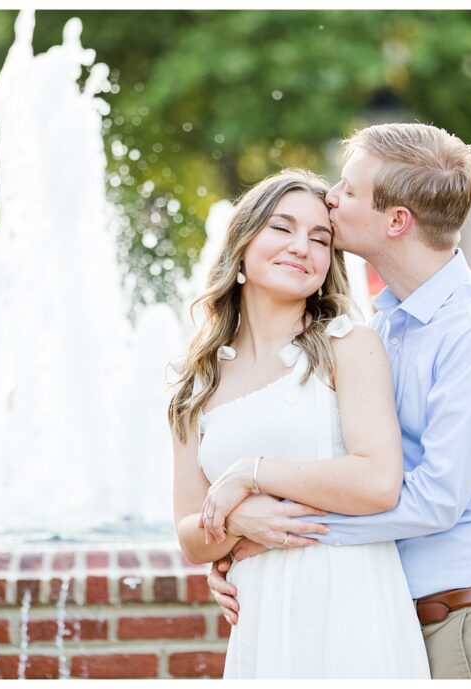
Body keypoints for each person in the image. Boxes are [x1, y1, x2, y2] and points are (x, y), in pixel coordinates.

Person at [206, 123, 471, 679]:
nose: (331, 197)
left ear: (397, 221)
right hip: (392, 615)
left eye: (347, 189)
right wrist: (250, 543)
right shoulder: (387, 322)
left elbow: (434, 500)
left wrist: (273, 535)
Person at [168, 169, 430, 678]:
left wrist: (254, 473)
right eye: (281, 228)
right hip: (261, 615)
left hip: (349, 601)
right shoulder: (194, 381)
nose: (301, 247)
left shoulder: (348, 346)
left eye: (320, 238)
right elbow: (189, 534)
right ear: (243, 243)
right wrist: (238, 522)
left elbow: (378, 482)